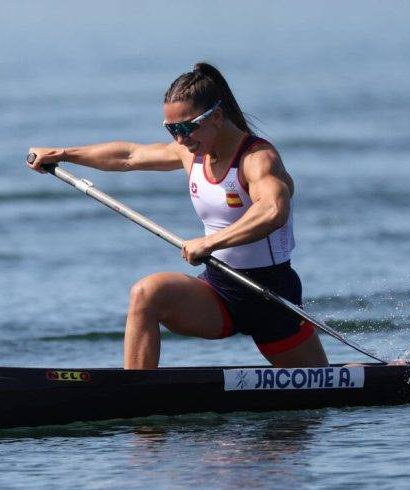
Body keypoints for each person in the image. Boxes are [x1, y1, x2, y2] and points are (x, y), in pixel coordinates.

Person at [27, 62, 329, 370]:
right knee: (147, 294)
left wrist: (210, 243)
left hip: (270, 294)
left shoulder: (257, 158)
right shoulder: (190, 152)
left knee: (315, 398)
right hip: (220, 291)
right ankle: (136, 393)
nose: (180, 139)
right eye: (172, 129)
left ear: (217, 116)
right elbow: (129, 156)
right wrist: (63, 154)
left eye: (186, 127)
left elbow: (273, 211)